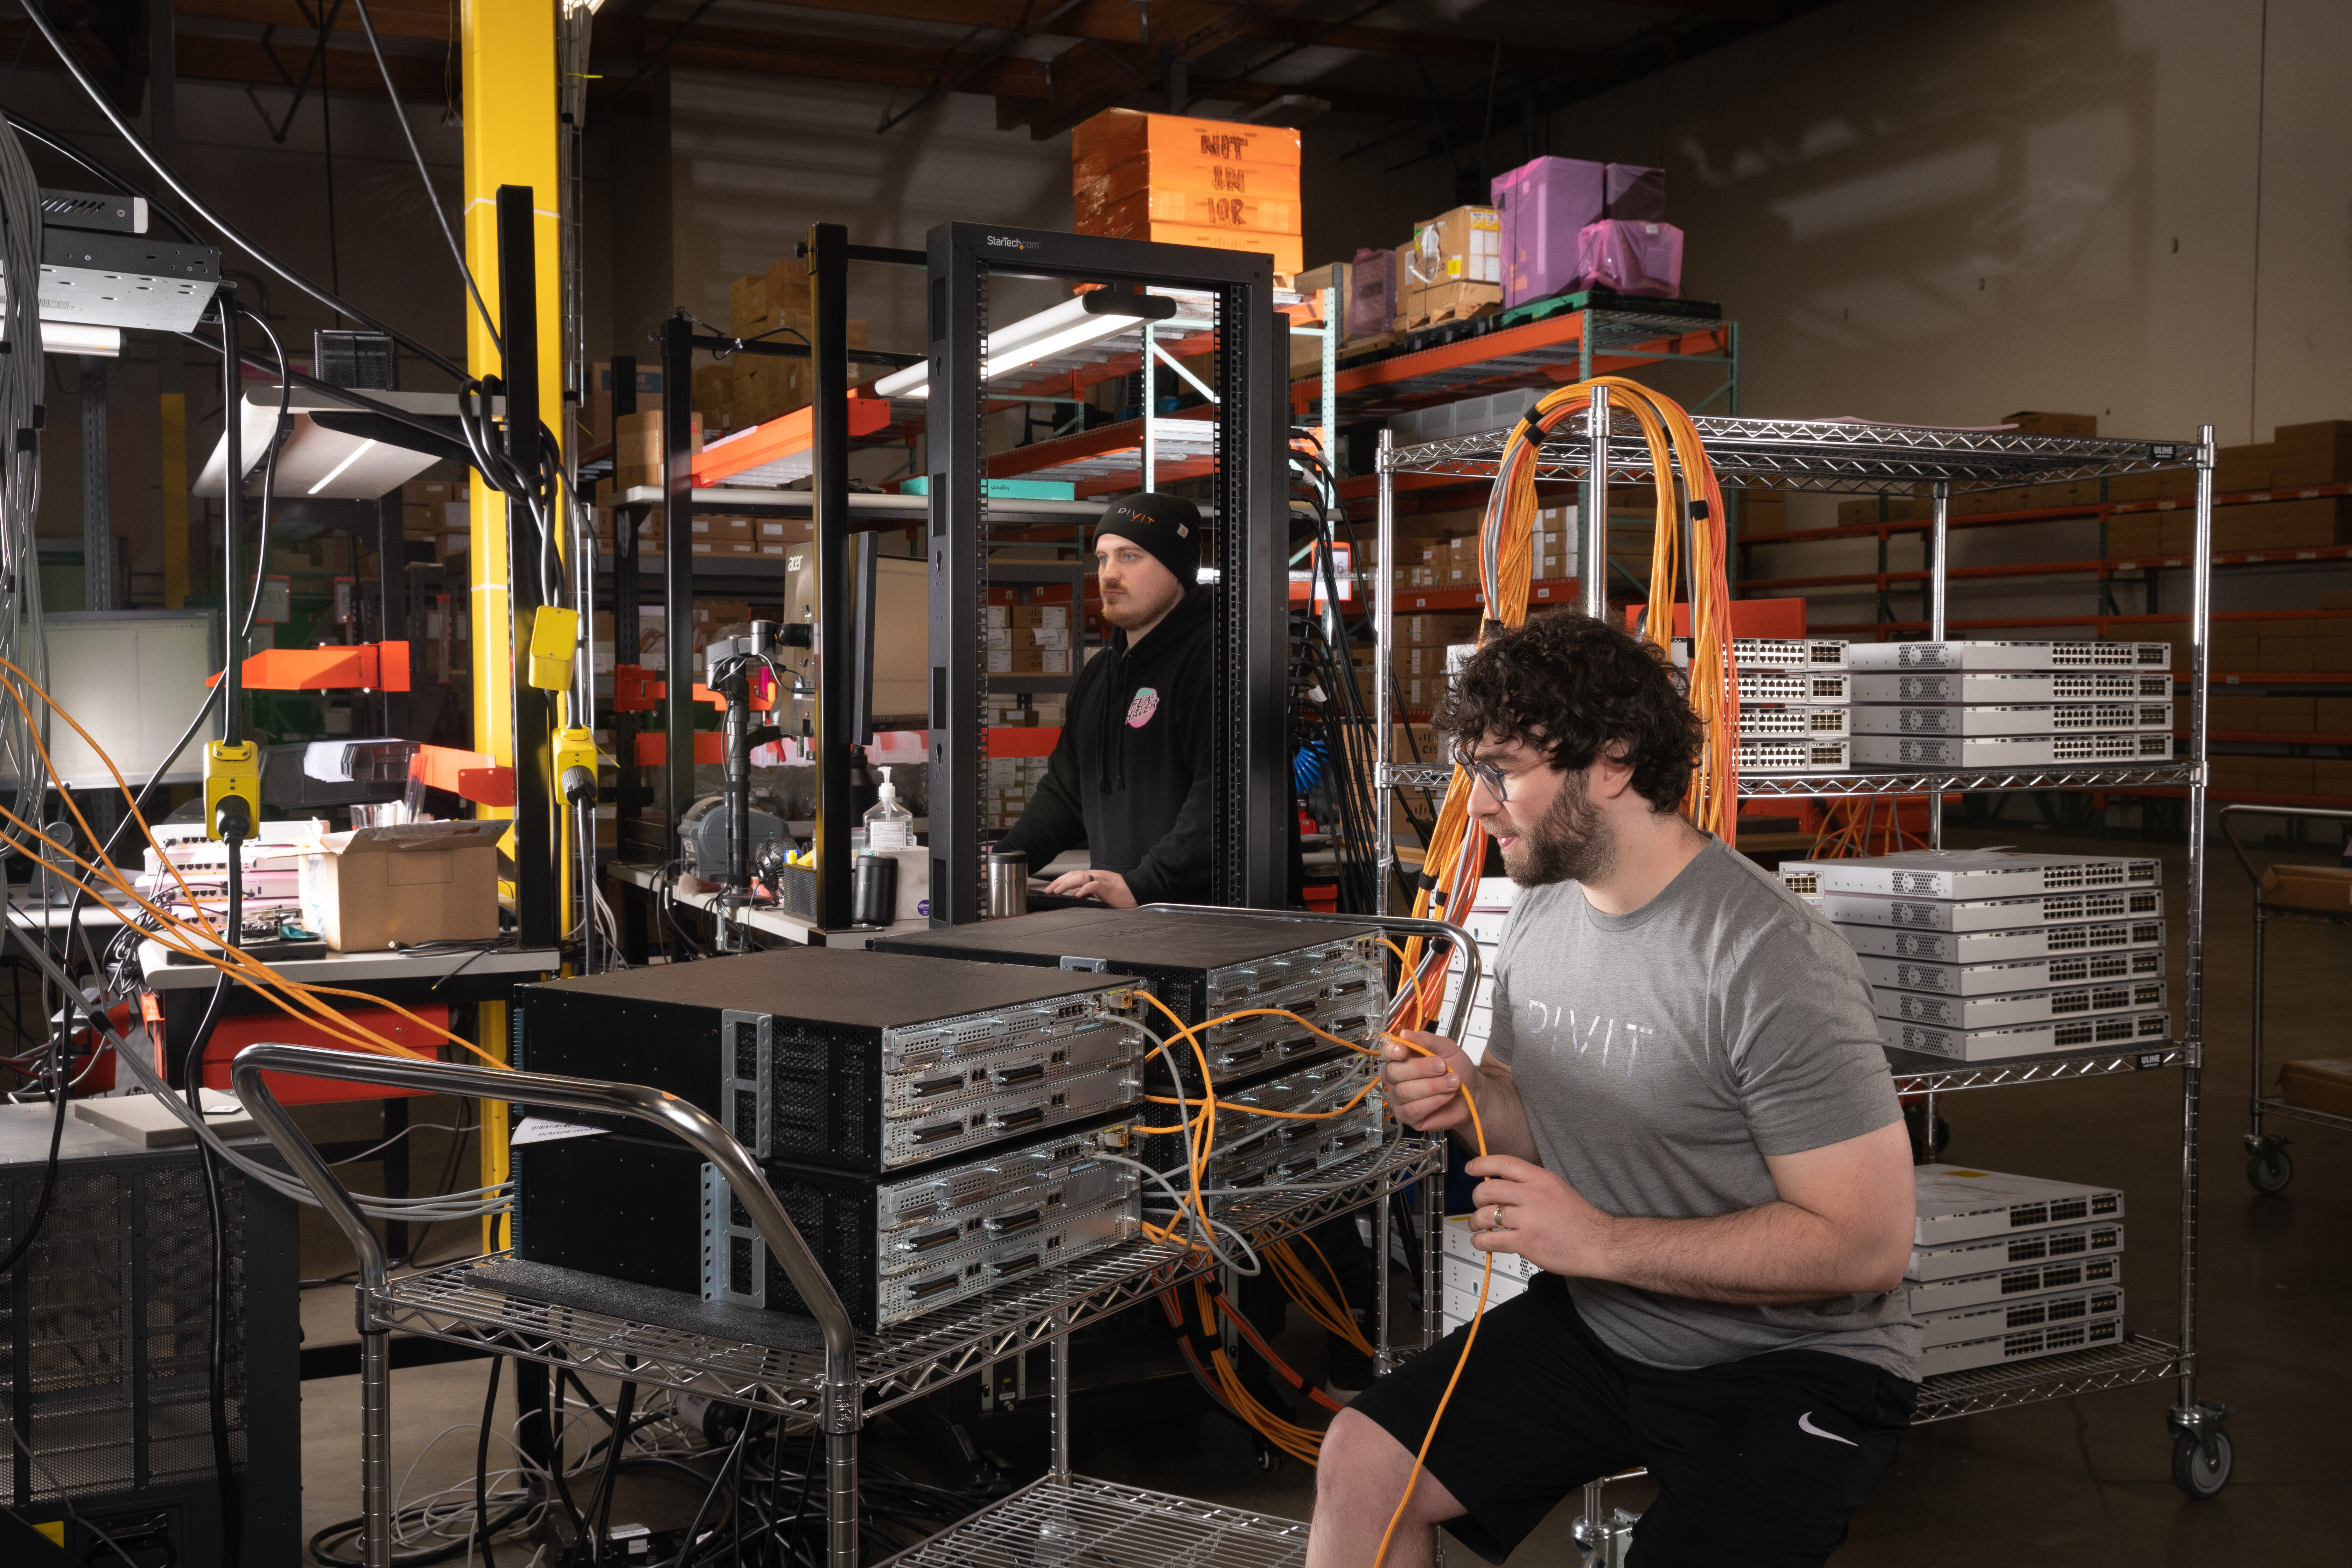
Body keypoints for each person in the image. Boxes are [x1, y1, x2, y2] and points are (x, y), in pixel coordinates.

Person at [1309, 612, 1919, 1568]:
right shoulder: (1544, 913)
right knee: (1363, 1461)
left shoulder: (1769, 958)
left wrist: (1596, 1241)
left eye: (1501, 771)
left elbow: (1868, 1244)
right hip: (1612, 1316)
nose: (1476, 806)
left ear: (1614, 761)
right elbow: (1538, 1124)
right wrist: (1472, 1098)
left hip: (1789, 1363)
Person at [993, 491, 1212, 908]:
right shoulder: (1100, 674)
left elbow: (1221, 801)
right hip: (1124, 920)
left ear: (1176, 568)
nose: (1109, 574)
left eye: (1129, 557)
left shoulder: (1219, 661)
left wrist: (1147, 884)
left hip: (1206, 922)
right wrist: (1003, 865)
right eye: (1102, 558)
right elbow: (1065, 792)